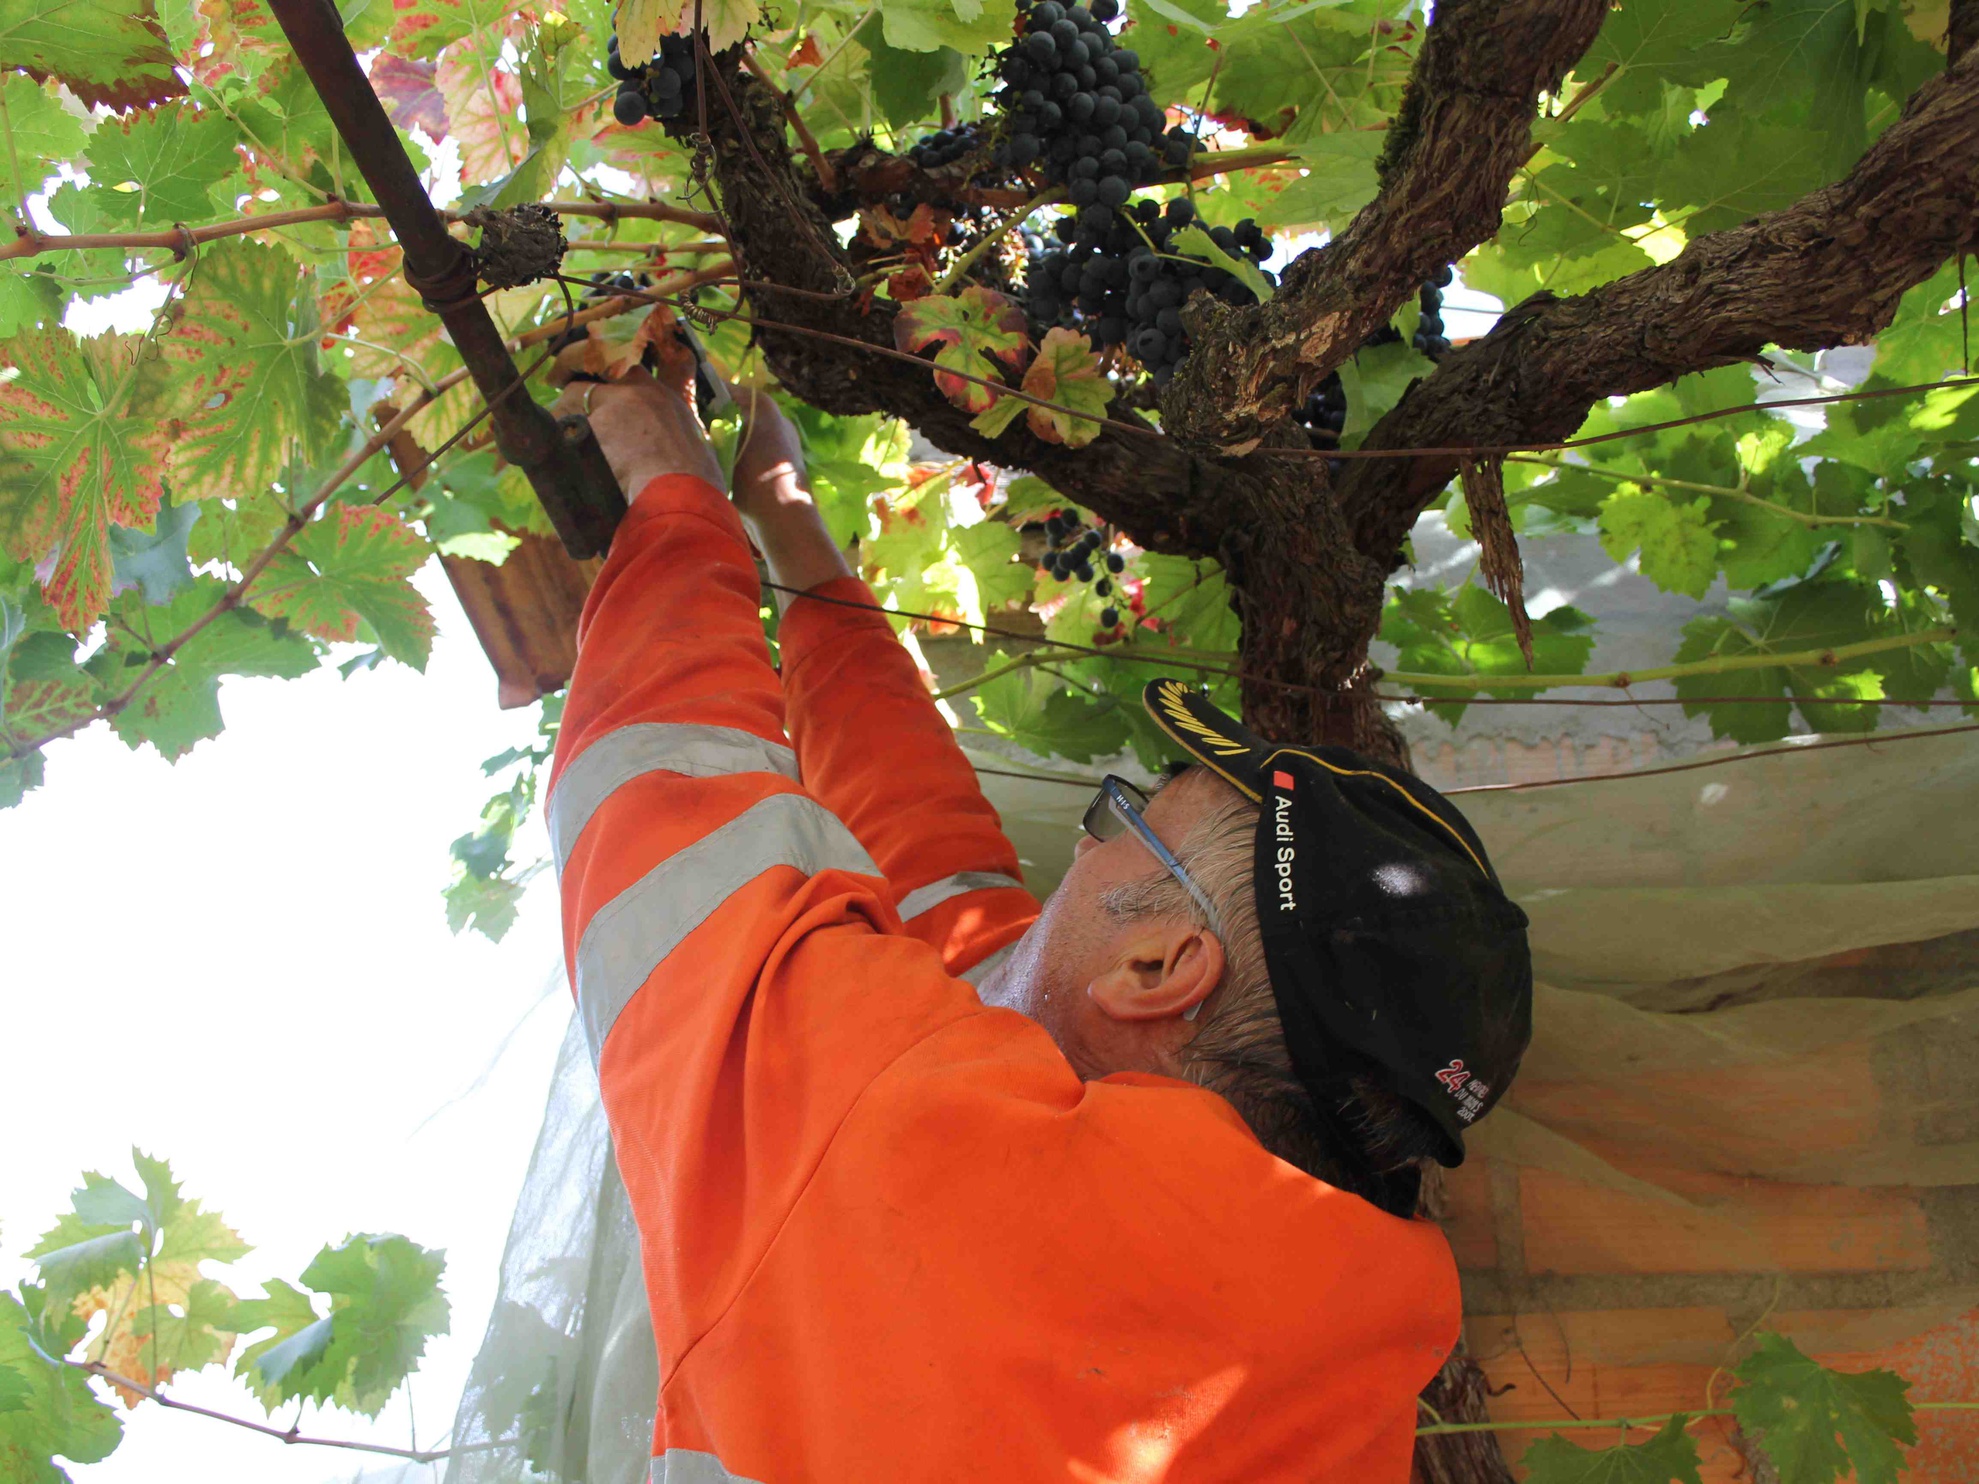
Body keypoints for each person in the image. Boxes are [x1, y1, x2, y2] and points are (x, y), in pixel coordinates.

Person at [548, 341, 1533, 1483]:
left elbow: (664, 802)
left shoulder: (921, 1163)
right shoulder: (1326, 1361)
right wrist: (789, 526)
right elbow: (935, 865)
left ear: (1160, 968)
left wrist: (671, 488)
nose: (1080, 843)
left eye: (1123, 818)